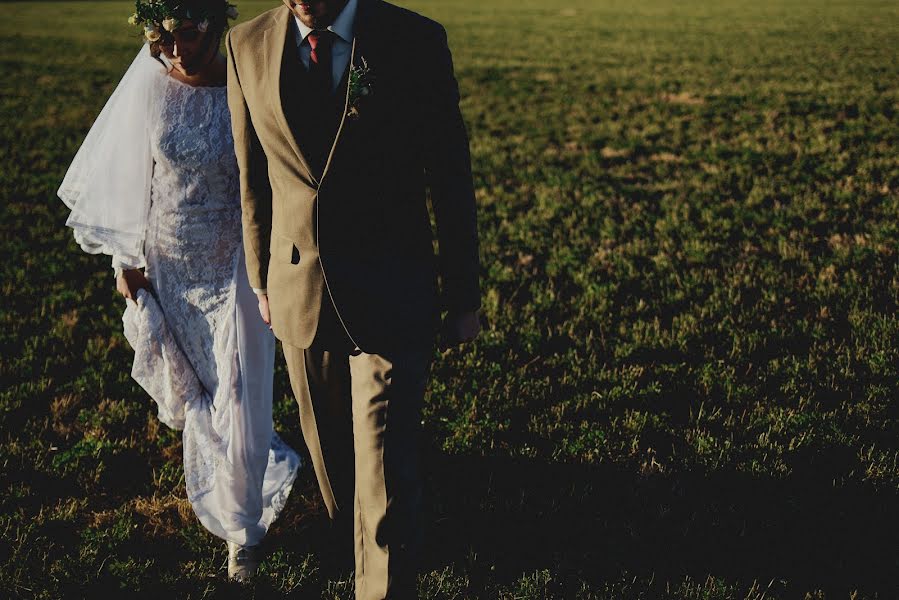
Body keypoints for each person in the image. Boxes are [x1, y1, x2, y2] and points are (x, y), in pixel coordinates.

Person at [226, 0, 481, 597]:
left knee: (385, 474)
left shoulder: (414, 41)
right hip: (297, 291)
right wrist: (262, 278)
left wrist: (463, 291)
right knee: (336, 465)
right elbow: (253, 173)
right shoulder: (246, 44)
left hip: (394, 287)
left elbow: (449, 173)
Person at [56, 0, 301, 582]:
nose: (176, 47)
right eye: (163, 34)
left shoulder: (247, 78)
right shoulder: (150, 85)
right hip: (170, 259)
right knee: (202, 388)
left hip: (240, 258)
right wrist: (128, 260)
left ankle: (242, 532)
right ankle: (235, 480)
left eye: (188, 33)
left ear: (215, 25)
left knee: (241, 382)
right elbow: (131, 175)